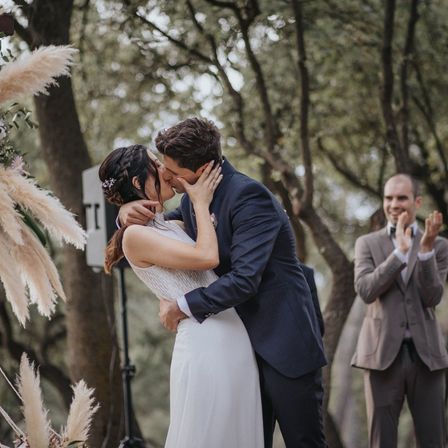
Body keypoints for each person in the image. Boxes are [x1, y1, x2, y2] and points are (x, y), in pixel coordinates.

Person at [119, 118, 327, 448]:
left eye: (172, 172)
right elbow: (157, 231)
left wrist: (181, 307)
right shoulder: (190, 203)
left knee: (305, 443)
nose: (167, 178)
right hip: (238, 352)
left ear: (200, 170)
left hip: (283, 342)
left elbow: (244, 280)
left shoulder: (249, 197)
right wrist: (125, 209)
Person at [100, 145, 263, 448]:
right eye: (155, 164)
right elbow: (207, 256)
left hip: (231, 338)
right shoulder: (134, 237)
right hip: (206, 344)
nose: (163, 170)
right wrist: (200, 203)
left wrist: (125, 212)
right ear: (138, 183)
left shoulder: (170, 224)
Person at [352, 173, 448, 448]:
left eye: (401, 198)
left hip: (427, 357)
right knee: (381, 441)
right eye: (388, 198)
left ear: (417, 202)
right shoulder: (367, 244)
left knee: (433, 441)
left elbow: (433, 297)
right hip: (380, 357)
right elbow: (366, 290)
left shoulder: (439, 245)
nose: (394, 204)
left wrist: (426, 251)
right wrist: (398, 255)